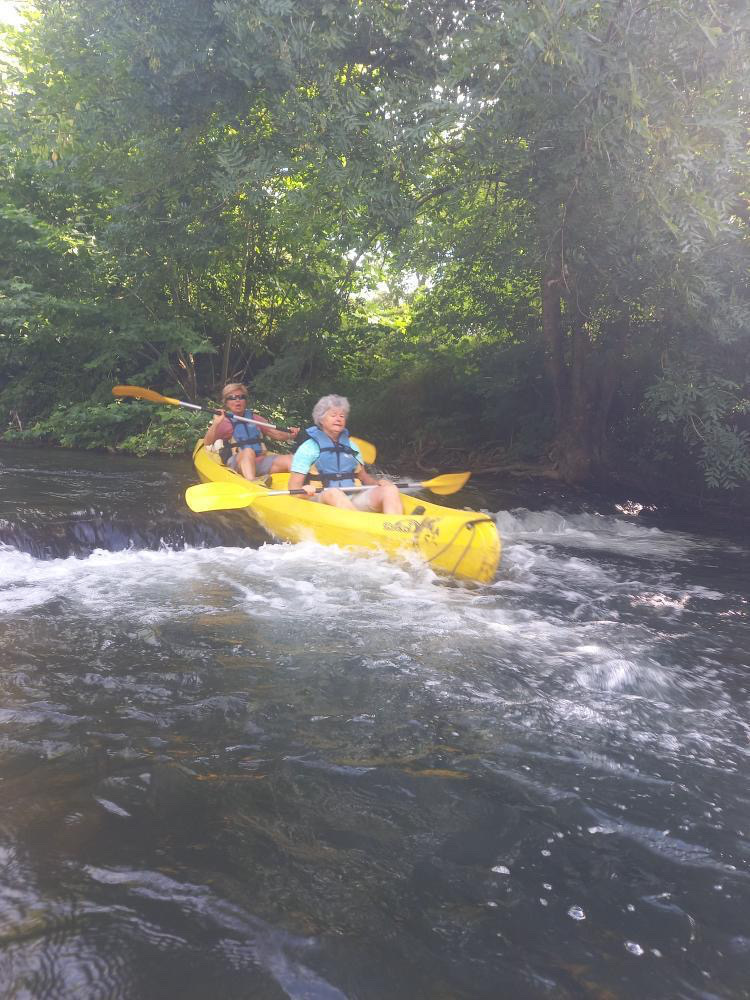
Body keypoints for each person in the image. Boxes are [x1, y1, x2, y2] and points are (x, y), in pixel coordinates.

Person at [288, 394, 403, 514]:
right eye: (333, 415)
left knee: (389, 489)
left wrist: (379, 483)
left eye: (342, 416)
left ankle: (396, 528)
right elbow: (293, 488)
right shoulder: (308, 448)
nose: (339, 419)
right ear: (321, 419)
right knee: (333, 493)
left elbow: (364, 477)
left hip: (352, 499)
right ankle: (360, 527)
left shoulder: (352, 446)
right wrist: (304, 491)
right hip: (320, 500)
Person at [204, 382, 299, 480]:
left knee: (290, 459)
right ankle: (253, 482)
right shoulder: (224, 422)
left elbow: (276, 434)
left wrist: (291, 434)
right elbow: (207, 442)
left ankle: (300, 486)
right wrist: (216, 423)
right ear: (226, 402)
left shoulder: (255, 418)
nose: (238, 400)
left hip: (258, 461)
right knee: (248, 451)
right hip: (237, 463)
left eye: (242, 397)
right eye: (232, 397)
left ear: (246, 401)